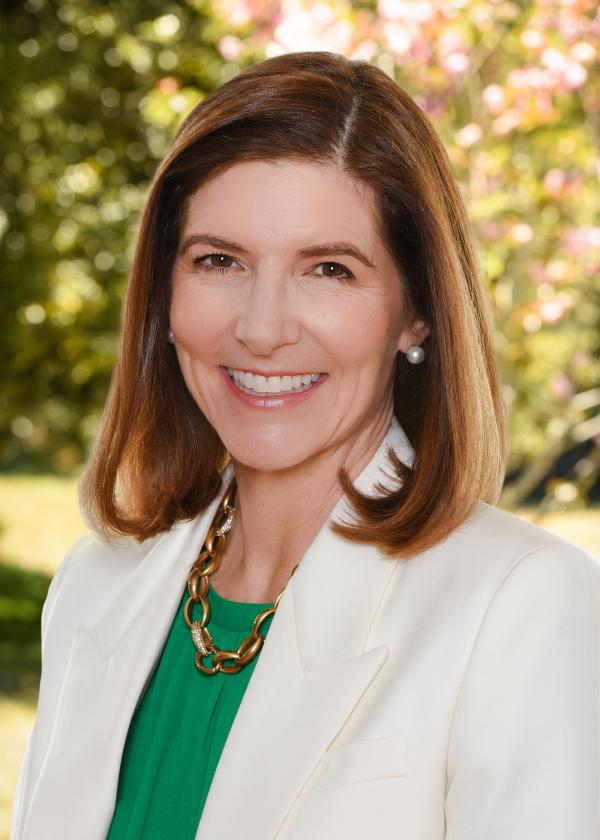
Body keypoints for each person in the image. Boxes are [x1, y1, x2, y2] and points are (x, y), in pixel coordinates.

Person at [11, 50, 599, 840]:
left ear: (417, 313)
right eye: (219, 260)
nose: (261, 328)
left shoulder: (522, 604)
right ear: (166, 293)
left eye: (328, 269)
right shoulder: (96, 583)